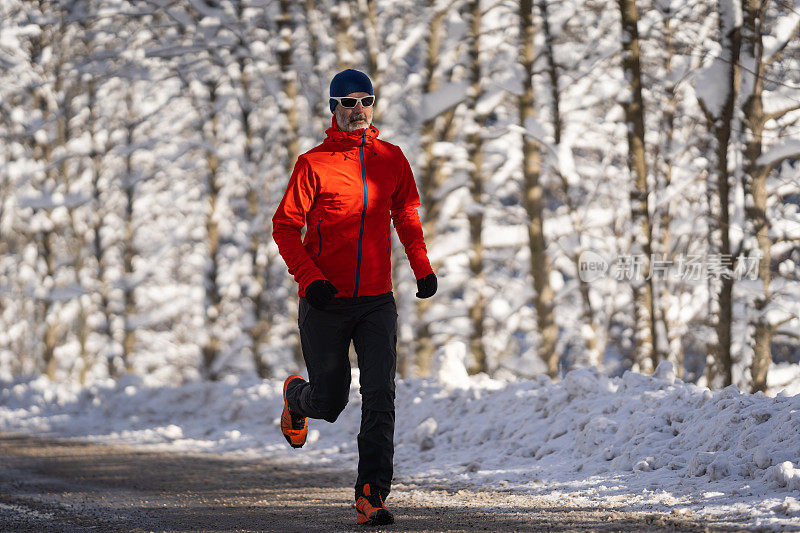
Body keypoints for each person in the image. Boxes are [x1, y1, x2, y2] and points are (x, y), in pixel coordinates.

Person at [272, 68, 437, 526]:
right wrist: (310, 278)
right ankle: (296, 398)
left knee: (381, 393)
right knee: (329, 402)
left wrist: (421, 267)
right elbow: (285, 227)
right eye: (348, 102)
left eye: (366, 101)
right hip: (325, 299)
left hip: (376, 302)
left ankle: (371, 494)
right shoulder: (313, 164)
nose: (358, 110)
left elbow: (405, 213)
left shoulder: (392, 158)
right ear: (333, 109)